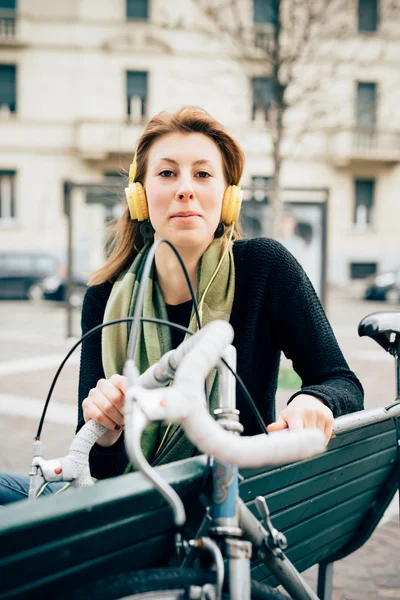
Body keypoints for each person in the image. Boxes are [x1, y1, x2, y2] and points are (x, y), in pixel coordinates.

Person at [0, 106, 364, 503]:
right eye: (167, 173)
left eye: (203, 174)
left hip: (224, 510)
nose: (185, 188)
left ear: (229, 198)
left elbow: (342, 382)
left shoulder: (265, 269)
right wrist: (105, 429)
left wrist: (316, 400)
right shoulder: (103, 297)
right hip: (129, 505)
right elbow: (99, 470)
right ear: (140, 197)